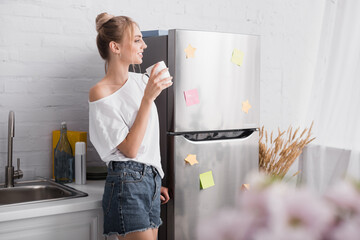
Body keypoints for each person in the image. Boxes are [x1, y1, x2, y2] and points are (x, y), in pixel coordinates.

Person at [88, 12, 172, 240]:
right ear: (115, 47)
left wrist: (154, 180)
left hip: (149, 182)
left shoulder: (142, 81)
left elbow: (146, 142)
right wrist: (147, 99)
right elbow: (130, 149)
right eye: (137, 40)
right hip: (127, 183)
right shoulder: (101, 92)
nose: (144, 45)